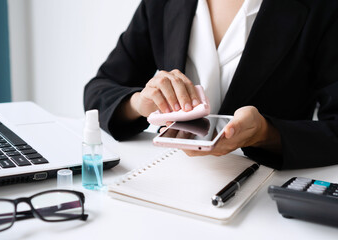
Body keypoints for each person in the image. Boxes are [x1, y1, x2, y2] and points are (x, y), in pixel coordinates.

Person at [84, 0, 338, 170]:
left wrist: (265, 134)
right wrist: (138, 103)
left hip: (262, 191)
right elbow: (99, 89)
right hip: (166, 176)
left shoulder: (323, 8)